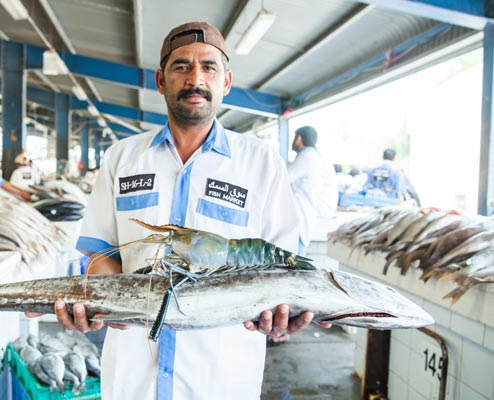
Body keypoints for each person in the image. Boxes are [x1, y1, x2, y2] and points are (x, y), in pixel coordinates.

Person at [52, 22, 328, 399]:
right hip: (134, 378)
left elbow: (285, 270)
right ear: (160, 80)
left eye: (209, 67)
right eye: (181, 66)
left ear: (226, 81)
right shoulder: (121, 157)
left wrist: (284, 312)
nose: (195, 78)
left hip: (221, 379)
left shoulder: (262, 162)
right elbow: (103, 252)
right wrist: (98, 296)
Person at [287, 126, 338, 255]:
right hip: (303, 215)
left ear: (299, 139)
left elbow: (283, 179)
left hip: (299, 216)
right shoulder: (315, 157)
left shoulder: (307, 157)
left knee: (291, 266)